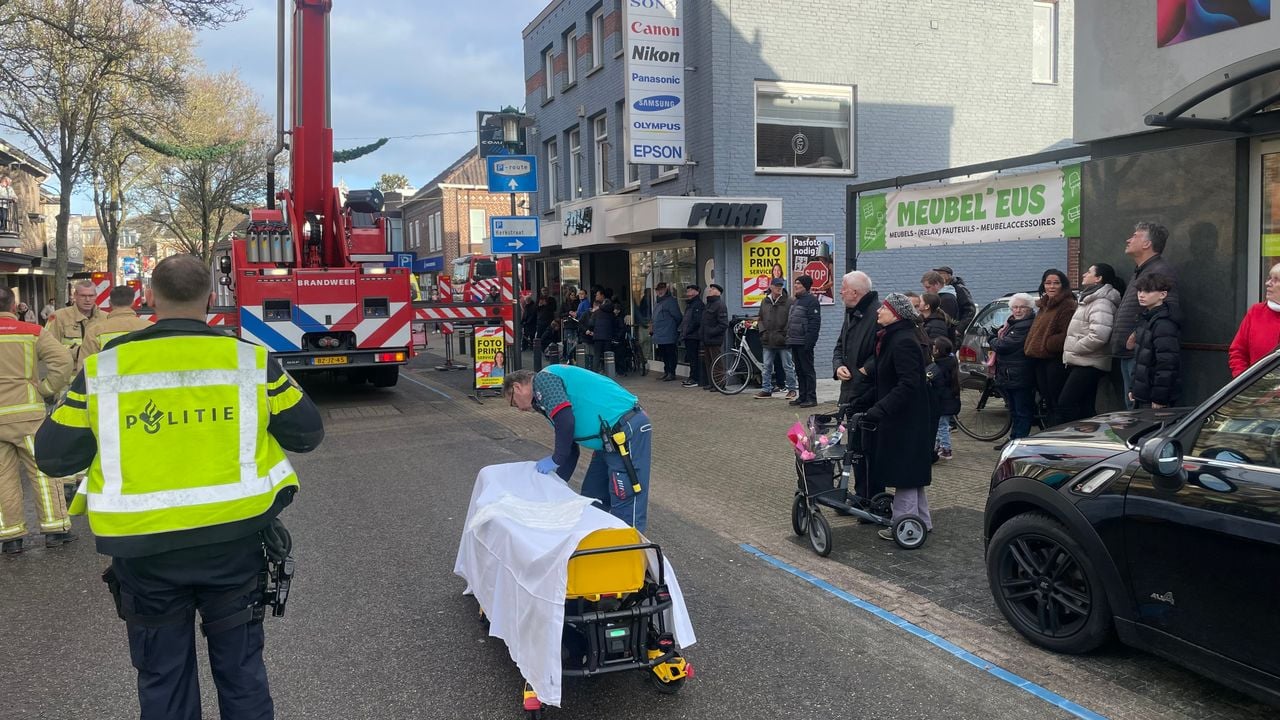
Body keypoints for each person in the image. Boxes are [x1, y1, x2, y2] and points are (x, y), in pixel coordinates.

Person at [34, 254, 324, 719]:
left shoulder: (105, 369)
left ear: (150, 298)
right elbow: (307, 434)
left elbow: (52, 456)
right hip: (233, 546)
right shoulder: (251, 362)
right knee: (242, 674)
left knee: (163, 678)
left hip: (145, 554)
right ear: (211, 299)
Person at [504, 366, 652, 531]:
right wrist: (555, 483)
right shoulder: (545, 402)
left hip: (625, 430)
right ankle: (597, 545)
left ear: (517, 387)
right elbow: (570, 446)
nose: (519, 409)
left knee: (625, 497)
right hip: (607, 440)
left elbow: (566, 422)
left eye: (513, 403)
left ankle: (629, 550)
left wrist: (556, 459)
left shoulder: (543, 380)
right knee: (592, 497)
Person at [849, 293, 934, 541]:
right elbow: (886, 380)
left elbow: (909, 384)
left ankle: (903, 524)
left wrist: (880, 409)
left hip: (907, 418)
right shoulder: (892, 338)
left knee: (904, 470)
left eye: (883, 309)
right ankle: (921, 520)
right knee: (910, 470)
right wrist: (862, 400)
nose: (878, 312)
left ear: (895, 313)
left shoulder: (903, 341)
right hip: (900, 414)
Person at [0, 287, 74, 555]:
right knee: (41, 470)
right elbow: (63, 360)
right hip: (27, 413)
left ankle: (10, 537)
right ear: (14, 304)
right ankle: (54, 530)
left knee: (2, 477)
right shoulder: (31, 332)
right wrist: (45, 389)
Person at [1111, 222, 1179, 408]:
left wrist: (1137, 331)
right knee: (1131, 408)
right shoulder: (1142, 270)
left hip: (1143, 355)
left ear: (1147, 244)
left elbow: (1169, 311)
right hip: (1132, 352)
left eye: (1135, 236)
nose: (1128, 239)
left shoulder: (1159, 271)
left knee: (1139, 415)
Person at [833, 271, 882, 498]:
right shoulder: (851, 314)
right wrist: (838, 366)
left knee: (867, 449)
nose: (840, 292)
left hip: (868, 393)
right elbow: (839, 346)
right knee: (855, 447)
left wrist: (864, 371)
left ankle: (871, 497)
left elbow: (885, 352)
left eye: (843, 288)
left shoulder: (876, 315)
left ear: (855, 292)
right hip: (850, 391)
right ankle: (860, 493)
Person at [1059, 263, 1123, 423]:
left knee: (1067, 403)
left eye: (1089, 272)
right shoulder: (1089, 299)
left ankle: (1077, 439)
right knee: (1085, 406)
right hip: (1083, 361)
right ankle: (1087, 441)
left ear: (1098, 278)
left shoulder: (1101, 302)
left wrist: (1075, 348)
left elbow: (1099, 335)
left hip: (1089, 362)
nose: (1083, 274)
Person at [1024, 269, 1076, 425]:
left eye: (1056, 283)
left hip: (1055, 360)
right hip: (1040, 359)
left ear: (1063, 285)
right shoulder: (1044, 305)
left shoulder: (1067, 305)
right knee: (1047, 400)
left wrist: (1046, 344)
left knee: (1056, 401)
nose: (1051, 286)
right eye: (1048, 283)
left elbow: (1066, 334)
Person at [1128, 273, 1181, 409]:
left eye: (1148, 291)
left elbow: (1167, 363)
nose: (1141, 295)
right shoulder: (1145, 318)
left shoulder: (1164, 323)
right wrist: (1133, 388)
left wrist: (1159, 397)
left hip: (1155, 398)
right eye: (1139, 290)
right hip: (1143, 394)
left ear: (1162, 294)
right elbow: (1139, 359)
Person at [991, 293, 1036, 441]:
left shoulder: (1025, 326)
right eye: (1015, 307)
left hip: (1019, 373)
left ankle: (1019, 441)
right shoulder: (1011, 324)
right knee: (1014, 410)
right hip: (1009, 373)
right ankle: (1013, 439)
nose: (1018, 310)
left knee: (1021, 411)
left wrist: (992, 339)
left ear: (1029, 309)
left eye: (1022, 307)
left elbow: (1004, 345)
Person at [80, 285, 153, 367]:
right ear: (133, 302)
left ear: (110, 303)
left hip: (108, 378)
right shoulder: (150, 327)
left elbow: (85, 366)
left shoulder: (95, 331)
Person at [1228, 262, 1280, 377]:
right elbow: (1238, 352)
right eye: (1269, 278)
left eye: (1276, 280)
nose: (1268, 283)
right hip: (1258, 392)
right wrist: (1243, 381)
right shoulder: (1256, 312)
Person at [47, 279, 104, 370]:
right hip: (69, 378)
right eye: (83, 296)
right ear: (75, 295)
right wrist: (77, 352)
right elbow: (48, 347)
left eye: (91, 296)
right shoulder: (58, 317)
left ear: (96, 296)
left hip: (98, 375)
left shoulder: (106, 318)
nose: (87, 300)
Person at [754, 278, 797, 400]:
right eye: (777, 286)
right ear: (771, 287)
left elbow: (792, 320)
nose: (779, 288)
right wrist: (763, 332)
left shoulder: (789, 302)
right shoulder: (765, 301)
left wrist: (785, 334)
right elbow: (760, 318)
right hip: (768, 339)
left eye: (781, 286)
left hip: (782, 340)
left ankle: (792, 389)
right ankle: (766, 389)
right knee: (766, 365)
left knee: (787, 366)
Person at [787, 274, 821, 408]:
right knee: (799, 371)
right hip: (795, 341)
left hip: (804, 342)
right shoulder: (797, 300)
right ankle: (802, 397)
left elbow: (814, 323)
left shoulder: (812, 301)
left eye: (799, 284)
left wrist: (810, 342)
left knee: (808, 370)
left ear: (806, 286)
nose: (796, 286)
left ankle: (811, 398)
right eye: (795, 283)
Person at [928, 336, 960, 461]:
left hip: (943, 402)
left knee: (942, 426)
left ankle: (946, 449)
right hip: (950, 400)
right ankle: (937, 446)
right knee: (941, 425)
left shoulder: (939, 366)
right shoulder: (951, 362)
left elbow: (939, 386)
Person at [649, 282, 683, 381]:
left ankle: (671, 373)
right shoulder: (657, 302)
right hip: (659, 334)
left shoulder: (671, 301)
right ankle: (666, 372)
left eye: (662, 289)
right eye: (658, 289)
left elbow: (678, 316)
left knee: (670, 354)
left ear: (666, 290)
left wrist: (672, 327)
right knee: (664, 354)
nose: (659, 291)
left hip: (669, 333)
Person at [700, 284, 728, 391]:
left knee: (717, 362)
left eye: (713, 289)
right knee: (709, 362)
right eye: (710, 289)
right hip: (706, 339)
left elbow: (723, 324)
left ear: (718, 292)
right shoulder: (709, 304)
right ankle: (712, 383)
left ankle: (720, 384)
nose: (710, 290)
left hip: (714, 339)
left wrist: (711, 332)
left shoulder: (720, 305)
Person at [933, 266, 976, 332]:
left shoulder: (959, 289)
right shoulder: (942, 289)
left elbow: (970, 310)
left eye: (941, 274)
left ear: (948, 275)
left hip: (955, 329)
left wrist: (959, 329)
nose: (938, 276)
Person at [679, 285, 705, 388]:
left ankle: (695, 379)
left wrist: (687, 331)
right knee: (691, 358)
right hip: (689, 335)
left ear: (696, 292)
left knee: (694, 358)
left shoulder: (698, 305)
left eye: (690, 291)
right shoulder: (690, 304)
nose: (688, 293)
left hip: (694, 336)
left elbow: (696, 321)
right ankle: (692, 377)